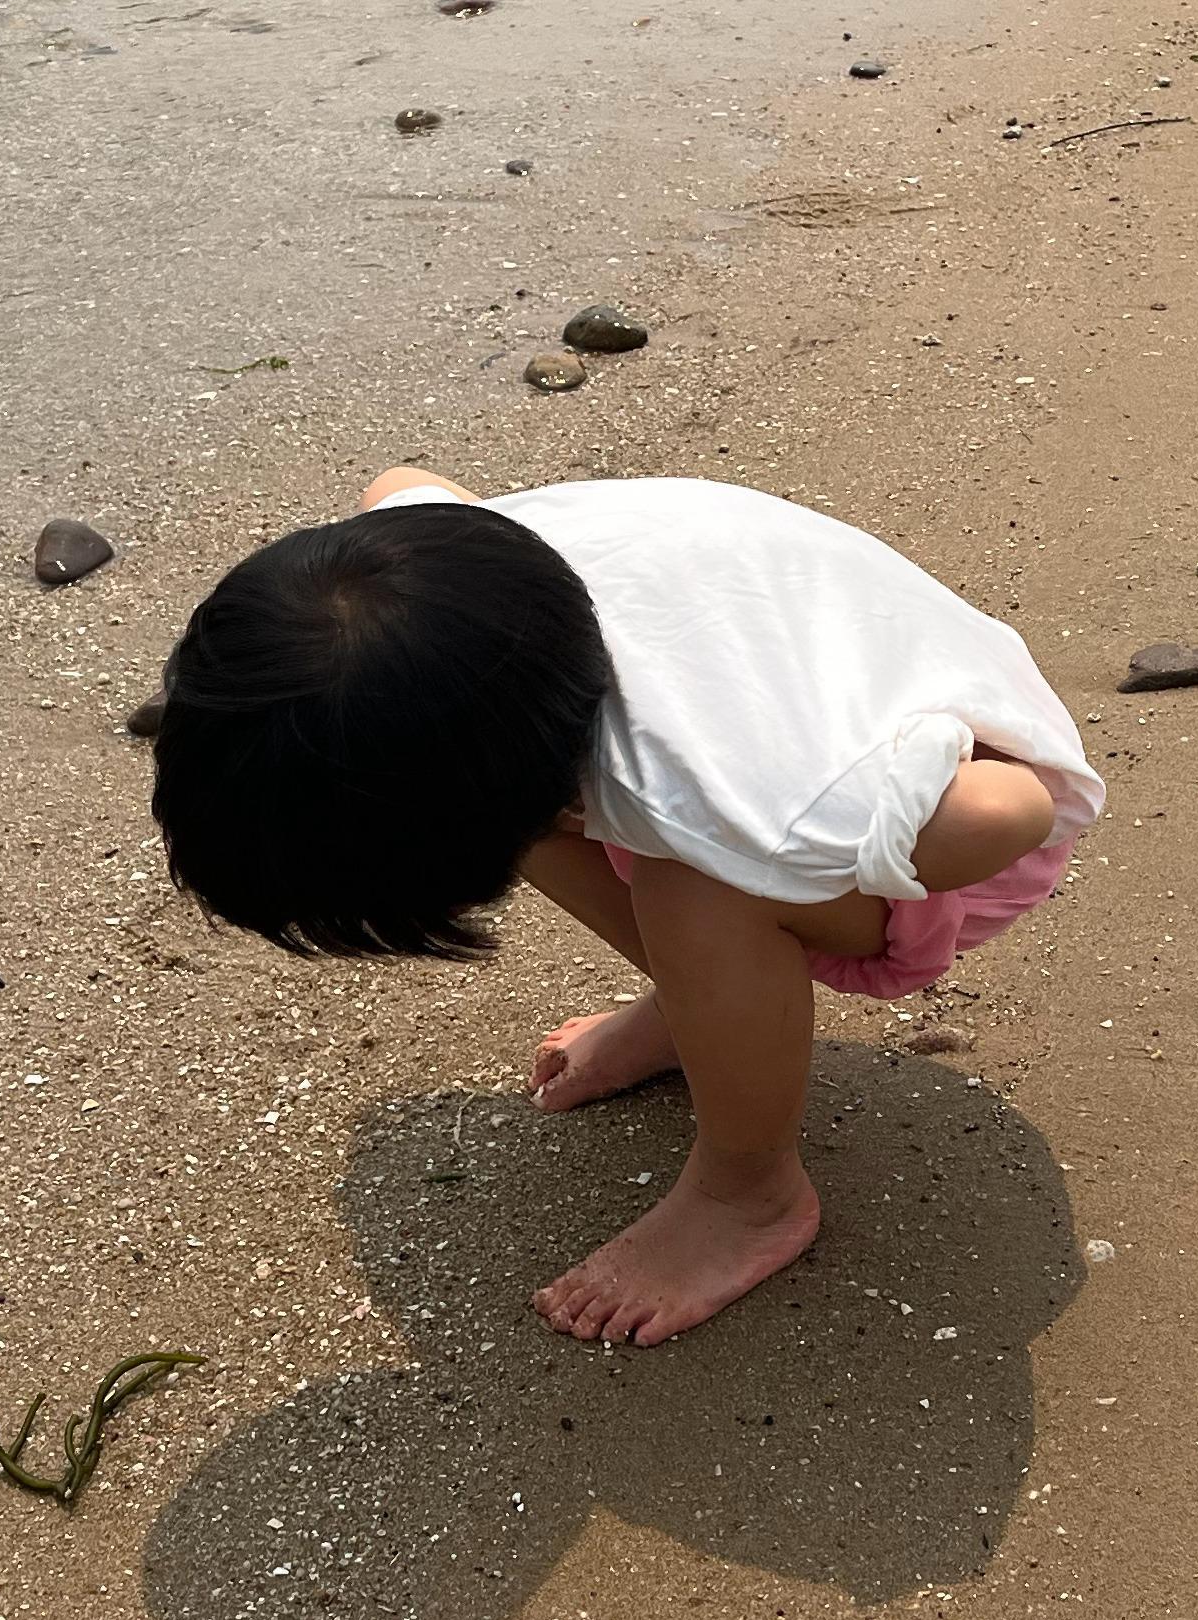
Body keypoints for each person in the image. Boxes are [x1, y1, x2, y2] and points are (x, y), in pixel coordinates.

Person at [150, 470, 1102, 1347]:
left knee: (698, 891)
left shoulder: (752, 803)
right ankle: (698, 1017)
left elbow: (1014, 808)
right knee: (507, 795)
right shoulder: (445, 578)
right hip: (783, 685)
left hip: (945, 816)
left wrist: (876, 832)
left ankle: (750, 1193)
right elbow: (399, 482)